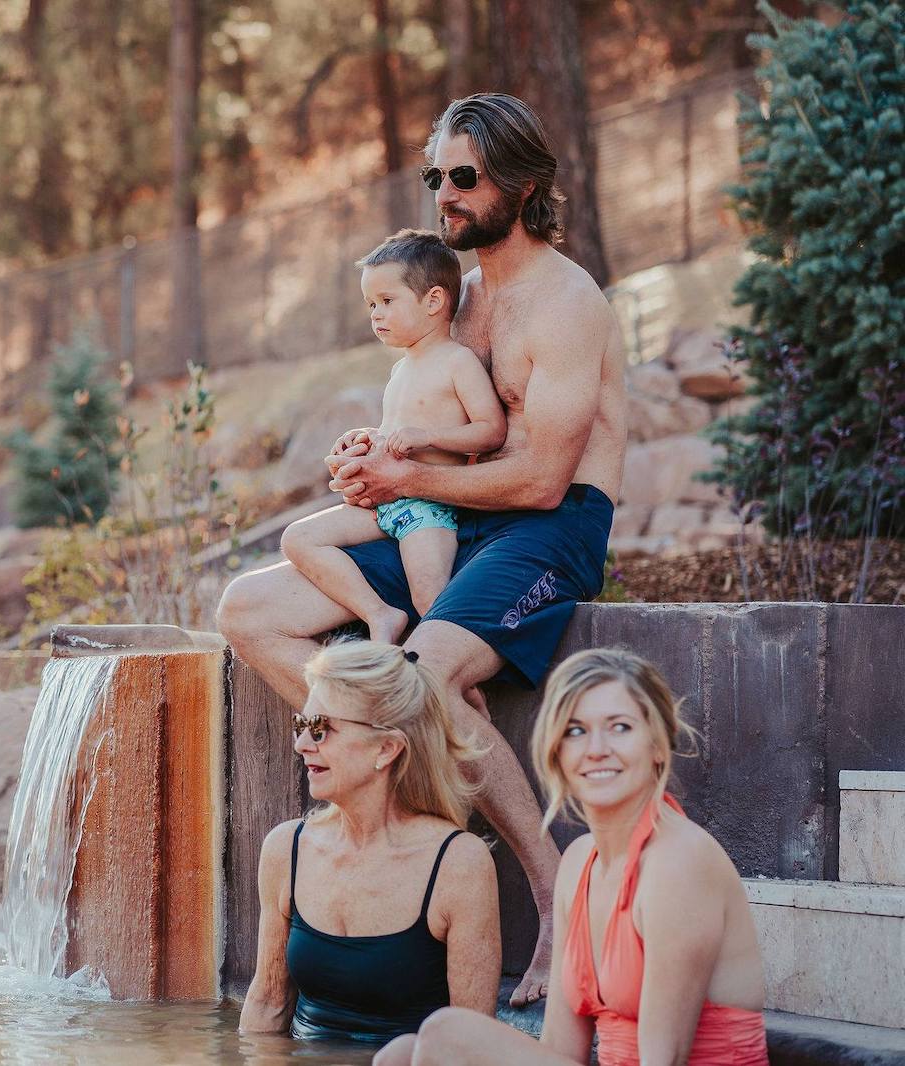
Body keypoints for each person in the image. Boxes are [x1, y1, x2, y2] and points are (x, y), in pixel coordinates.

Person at [218, 92, 627, 1005]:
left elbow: (540, 482)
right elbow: (430, 429)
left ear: (521, 184)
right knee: (249, 607)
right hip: (455, 516)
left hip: (550, 525)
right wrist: (373, 461)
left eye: (464, 177)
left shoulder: (564, 303)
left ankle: (558, 899)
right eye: (434, 174)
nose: (444, 192)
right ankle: (418, 781)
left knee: (434, 673)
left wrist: (408, 482)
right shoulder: (459, 297)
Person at [372, 648, 769, 1066]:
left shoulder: (678, 864)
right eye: (575, 731)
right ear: (556, 752)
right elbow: (561, 1053)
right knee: (398, 1055)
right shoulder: (579, 864)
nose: (596, 748)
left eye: (619, 727)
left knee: (446, 1033)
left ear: (657, 745)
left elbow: (662, 1060)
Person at [238, 640, 500, 1047]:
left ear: (386, 749)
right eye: (300, 725)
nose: (302, 744)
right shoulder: (285, 849)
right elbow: (268, 1005)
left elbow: (472, 1041)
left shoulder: (458, 864)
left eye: (321, 727)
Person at [279, 229, 506, 643]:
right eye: (371, 304)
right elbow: (394, 434)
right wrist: (366, 440)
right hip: (385, 504)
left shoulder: (457, 362)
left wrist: (428, 437)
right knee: (298, 538)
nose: (375, 315)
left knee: (431, 601)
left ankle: (459, 680)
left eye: (386, 301)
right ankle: (379, 614)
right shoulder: (400, 370)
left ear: (434, 301)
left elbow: (491, 431)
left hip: (429, 508)